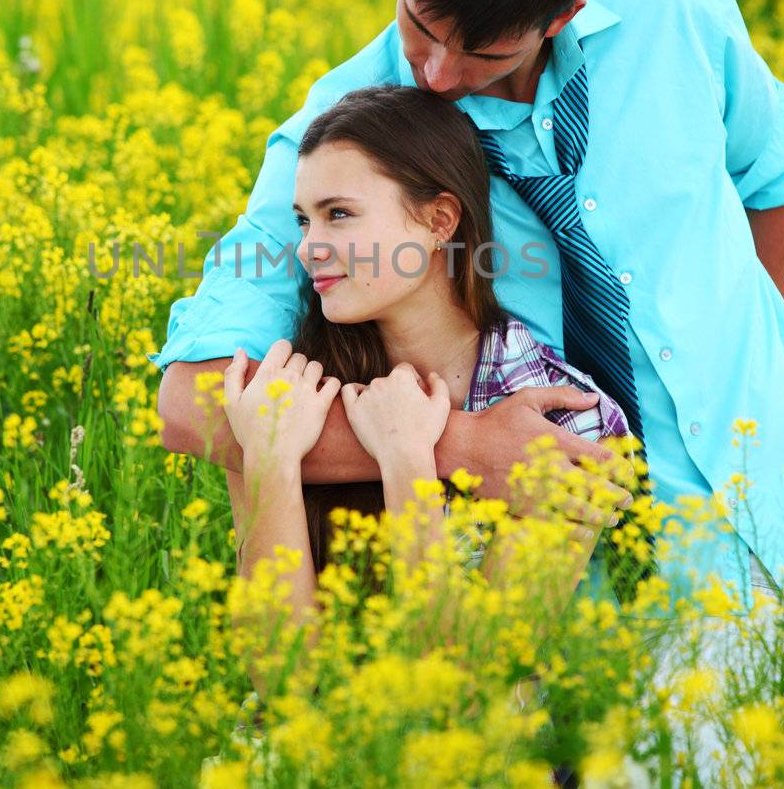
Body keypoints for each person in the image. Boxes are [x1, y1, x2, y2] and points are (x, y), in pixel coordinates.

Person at [152, 0, 784, 630]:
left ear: (562, 15)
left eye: (483, 53)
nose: (436, 73)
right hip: (561, 581)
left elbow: (774, 171)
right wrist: (458, 448)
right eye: (421, 24)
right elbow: (191, 404)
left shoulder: (680, 13)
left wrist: (744, 360)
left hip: (773, 512)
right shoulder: (342, 140)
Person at [214, 83, 638, 701]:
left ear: (439, 221)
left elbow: (465, 689)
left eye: (340, 214)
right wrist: (273, 461)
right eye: (304, 220)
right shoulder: (291, 397)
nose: (308, 247)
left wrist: (409, 461)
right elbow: (280, 680)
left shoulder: (569, 422)